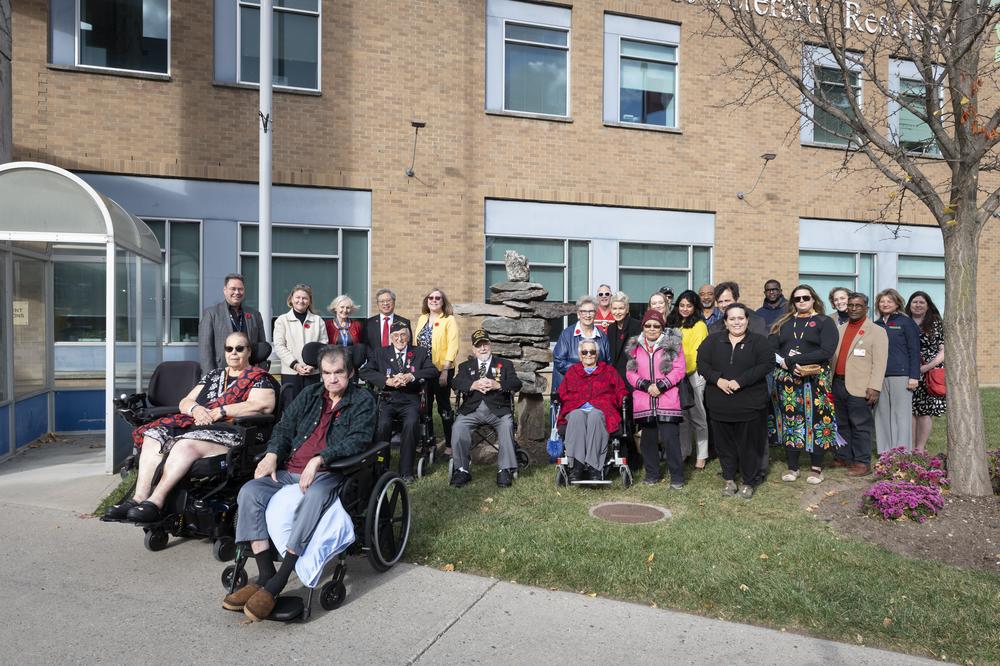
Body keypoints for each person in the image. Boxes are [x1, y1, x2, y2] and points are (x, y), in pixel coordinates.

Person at [222, 345, 376, 622]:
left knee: (314, 497)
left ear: (350, 373)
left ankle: (279, 580)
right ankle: (266, 573)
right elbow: (283, 427)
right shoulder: (310, 395)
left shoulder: (363, 401)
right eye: (327, 373)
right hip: (289, 469)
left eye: (338, 373)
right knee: (250, 492)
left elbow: (360, 439)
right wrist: (271, 455)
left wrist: (320, 459)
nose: (332, 379)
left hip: (330, 472)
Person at [104, 332, 278, 522]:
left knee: (184, 444)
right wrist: (195, 409)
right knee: (153, 435)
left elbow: (262, 404)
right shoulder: (214, 375)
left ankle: (155, 501)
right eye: (229, 349)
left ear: (249, 351)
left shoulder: (259, 377)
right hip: (197, 426)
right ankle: (138, 498)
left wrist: (222, 410)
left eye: (239, 348)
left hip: (232, 432)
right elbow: (185, 401)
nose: (233, 353)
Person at [697, 304, 773, 499]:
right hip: (720, 404)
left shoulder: (759, 342)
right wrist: (717, 379)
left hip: (750, 404)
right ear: (725, 322)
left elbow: (766, 364)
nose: (737, 322)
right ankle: (729, 480)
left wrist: (741, 381)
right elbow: (702, 363)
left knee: (749, 445)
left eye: (741, 318)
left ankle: (749, 482)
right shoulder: (713, 341)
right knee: (725, 445)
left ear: (747, 320)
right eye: (732, 319)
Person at [771, 284, 839, 485]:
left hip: (814, 379)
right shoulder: (783, 322)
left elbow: (826, 351)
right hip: (787, 380)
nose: (801, 301)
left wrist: (795, 360)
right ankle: (793, 467)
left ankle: (817, 468)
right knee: (790, 420)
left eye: (805, 298)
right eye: (797, 299)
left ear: (813, 299)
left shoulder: (824, 322)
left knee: (816, 420)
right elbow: (771, 346)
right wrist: (784, 362)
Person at [361, 320, 438, 482]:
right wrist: (386, 380)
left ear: (408, 337)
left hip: (411, 399)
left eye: (403, 334)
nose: (400, 338)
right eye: (396, 335)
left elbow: (433, 371)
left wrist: (412, 376)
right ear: (391, 338)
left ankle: (406, 471)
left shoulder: (420, 352)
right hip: (388, 398)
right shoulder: (381, 353)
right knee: (382, 425)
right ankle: (381, 467)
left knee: (411, 424)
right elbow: (364, 371)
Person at [450, 330, 523, 488]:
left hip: (497, 410)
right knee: (458, 426)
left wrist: (499, 385)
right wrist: (472, 385)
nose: (483, 348)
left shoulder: (504, 364)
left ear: (490, 345)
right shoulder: (465, 366)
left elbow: (516, 384)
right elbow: (455, 383)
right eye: (479, 346)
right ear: (473, 349)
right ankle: (462, 469)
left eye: (485, 344)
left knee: (507, 425)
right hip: (472, 409)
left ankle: (504, 469)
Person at [626, 310, 687, 488]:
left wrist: (661, 385)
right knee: (648, 441)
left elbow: (679, 369)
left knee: (671, 439)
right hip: (644, 399)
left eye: (656, 326)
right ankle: (652, 474)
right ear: (643, 326)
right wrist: (645, 385)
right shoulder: (634, 346)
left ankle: (677, 477)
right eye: (648, 325)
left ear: (662, 327)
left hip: (667, 398)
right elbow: (630, 372)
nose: (652, 329)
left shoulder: (672, 344)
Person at [829, 293, 888, 476]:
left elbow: (880, 362)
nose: (854, 309)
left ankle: (862, 462)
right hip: (838, 383)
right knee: (842, 423)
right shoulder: (840, 329)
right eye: (851, 305)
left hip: (861, 386)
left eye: (858, 305)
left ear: (866, 308)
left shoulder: (877, 331)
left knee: (860, 425)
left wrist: (875, 386)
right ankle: (844, 457)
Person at [557, 339, 628, 482]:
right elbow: (562, 393)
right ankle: (577, 466)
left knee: (595, 416)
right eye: (585, 352)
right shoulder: (572, 372)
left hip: (601, 409)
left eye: (592, 351)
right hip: (577, 408)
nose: (588, 355)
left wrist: (621, 399)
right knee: (577, 416)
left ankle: (594, 467)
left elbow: (621, 389)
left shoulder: (608, 371)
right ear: (580, 355)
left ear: (597, 354)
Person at [873, 288, 921, 452]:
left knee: (901, 415)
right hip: (879, 377)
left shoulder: (906, 322)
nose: (885, 304)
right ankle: (885, 452)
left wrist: (914, 376)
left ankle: (901, 452)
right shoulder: (875, 325)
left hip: (901, 375)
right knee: (882, 415)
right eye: (882, 301)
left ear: (897, 303)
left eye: (889, 301)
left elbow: (914, 351)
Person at [666, 290, 709, 469]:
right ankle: (684, 452)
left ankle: (702, 455)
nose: (684, 309)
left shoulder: (699, 325)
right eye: (682, 305)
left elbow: (695, 353)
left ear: (695, 307)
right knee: (682, 416)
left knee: (698, 415)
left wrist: (681, 371)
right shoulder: (672, 323)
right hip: (676, 375)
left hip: (693, 374)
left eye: (689, 306)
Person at [415, 287, 460, 454]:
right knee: (425, 408)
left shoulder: (449, 320)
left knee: (444, 407)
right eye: (431, 298)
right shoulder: (422, 319)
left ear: (443, 302)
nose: (433, 300)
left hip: (442, 370)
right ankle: (430, 442)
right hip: (424, 372)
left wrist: (445, 370)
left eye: (437, 298)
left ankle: (449, 444)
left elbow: (453, 346)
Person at [272, 284, 329, 400]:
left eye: (305, 298)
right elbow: (279, 346)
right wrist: (295, 365)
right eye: (297, 297)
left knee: (311, 408)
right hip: (291, 373)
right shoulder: (282, 321)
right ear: (291, 299)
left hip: (312, 372)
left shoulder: (318, 321)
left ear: (309, 301)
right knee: (291, 408)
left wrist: (313, 365)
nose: (301, 301)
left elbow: (323, 347)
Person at [199, 273, 266, 371]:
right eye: (233, 289)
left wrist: (262, 370)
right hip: (222, 371)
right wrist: (209, 378)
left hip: (250, 372)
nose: (237, 292)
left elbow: (262, 346)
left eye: (240, 289)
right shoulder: (211, 314)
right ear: (225, 290)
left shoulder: (254, 314)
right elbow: (205, 351)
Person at [906, 291, 946, 452]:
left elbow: (943, 350)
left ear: (928, 305)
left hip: (929, 372)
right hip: (908, 371)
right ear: (909, 305)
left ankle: (920, 448)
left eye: (921, 302)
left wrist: (926, 367)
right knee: (910, 410)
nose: (917, 305)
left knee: (924, 411)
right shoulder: (904, 321)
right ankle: (910, 447)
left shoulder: (935, 323)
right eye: (914, 302)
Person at [552, 295, 610, 392]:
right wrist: (583, 371)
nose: (588, 315)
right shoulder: (567, 334)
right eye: (584, 312)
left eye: (591, 311)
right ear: (578, 314)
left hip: (596, 388)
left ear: (596, 314)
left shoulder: (602, 337)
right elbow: (559, 361)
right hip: (570, 388)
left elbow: (608, 363)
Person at [606, 291, 642, 383]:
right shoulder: (611, 328)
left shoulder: (637, 326)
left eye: (621, 308)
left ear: (627, 309)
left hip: (633, 377)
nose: (617, 312)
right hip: (615, 379)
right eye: (614, 308)